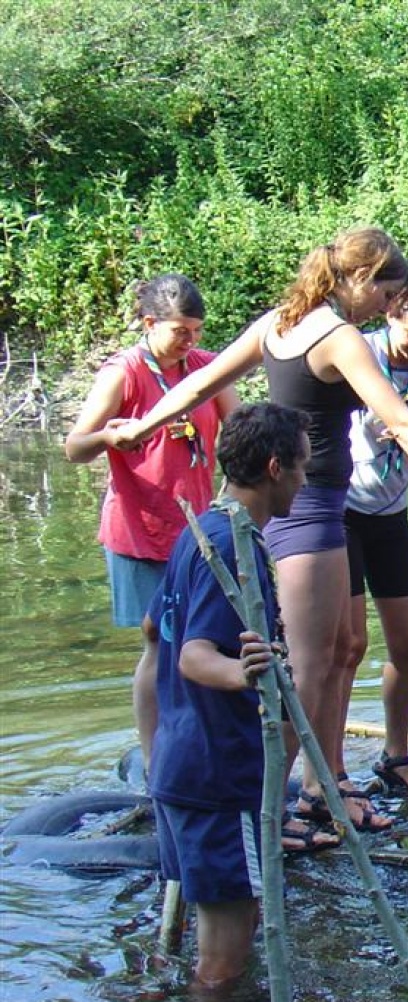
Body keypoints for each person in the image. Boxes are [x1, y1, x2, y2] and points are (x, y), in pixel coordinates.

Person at [113, 228, 408, 834]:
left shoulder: (280, 323)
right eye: (389, 294)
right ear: (361, 280)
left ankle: (321, 786)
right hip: (309, 507)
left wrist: (139, 427)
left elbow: (197, 385)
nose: (390, 308)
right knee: (309, 666)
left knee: (335, 651)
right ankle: (277, 807)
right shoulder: (340, 336)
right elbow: (397, 420)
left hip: (288, 500)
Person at [146, 402, 336, 993]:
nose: (305, 481)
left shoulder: (199, 530)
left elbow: (155, 636)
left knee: (212, 931)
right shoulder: (234, 549)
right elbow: (193, 656)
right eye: (302, 468)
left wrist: (153, 753)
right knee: (226, 961)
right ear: (275, 467)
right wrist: (244, 672)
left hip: (178, 769)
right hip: (220, 778)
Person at [64, 275, 240, 771]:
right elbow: (74, 448)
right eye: (181, 331)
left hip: (197, 529)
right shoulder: (123, 373)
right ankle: (155, 758)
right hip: (139, 529)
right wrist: (106, 436)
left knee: (202, 638)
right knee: (158, 641)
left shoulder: (204, 369)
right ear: (149, 324)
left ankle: (199, 741)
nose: (191, 341)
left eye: (198, 331)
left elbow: (242, 425)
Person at [337, 272, 408, 796]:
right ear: (389, 314)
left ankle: (395, 754)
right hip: (341, 509)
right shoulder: (357, 353)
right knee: (349, 644)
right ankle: (332, 769)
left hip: (392, 512)